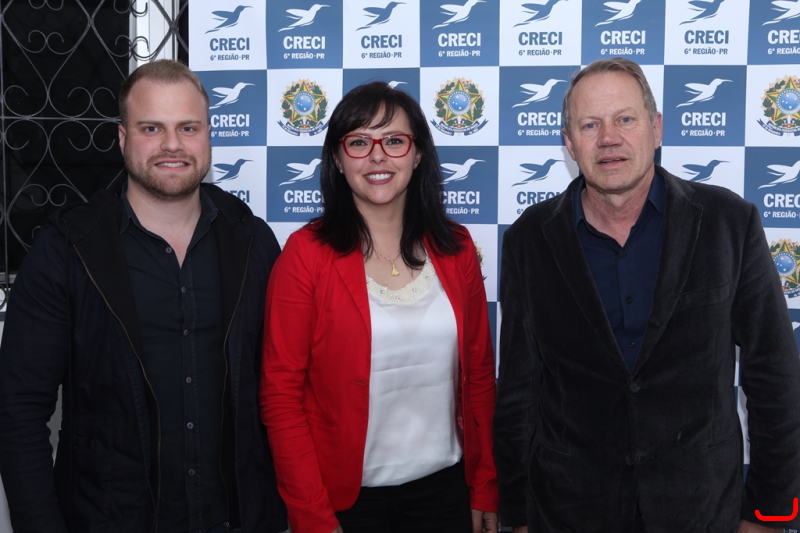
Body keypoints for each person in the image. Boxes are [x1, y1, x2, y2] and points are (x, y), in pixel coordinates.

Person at [494, 57, 800, 533]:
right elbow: (519, 391)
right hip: (569, 512)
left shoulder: (728, 223)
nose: (608, 138)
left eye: (625, 119)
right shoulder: (528, 239)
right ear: (569, 142)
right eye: (590, 125)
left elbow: (775, 377)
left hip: (701, 511)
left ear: (656, 128)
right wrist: (517, 517)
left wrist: (770, 514)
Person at [0, 60, 287, 533]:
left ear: (208, 135)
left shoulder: (253, 241)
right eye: (151, 128)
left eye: (188, 128)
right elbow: (18, 413)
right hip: (108, 520)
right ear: (122, 138)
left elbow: (285, 392)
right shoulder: (67, 249)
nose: (172, 144)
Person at [259, 81, 499, 533]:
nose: (377, 156)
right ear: (337, 158)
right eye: (358, 142)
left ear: (418, 153)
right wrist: (313, 519)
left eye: (394, 140)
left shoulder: (458, 247)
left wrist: (485, 484)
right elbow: (281, 397)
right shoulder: (304, 256)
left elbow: (480, 376)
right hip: (345, 507)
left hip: (446, 495)